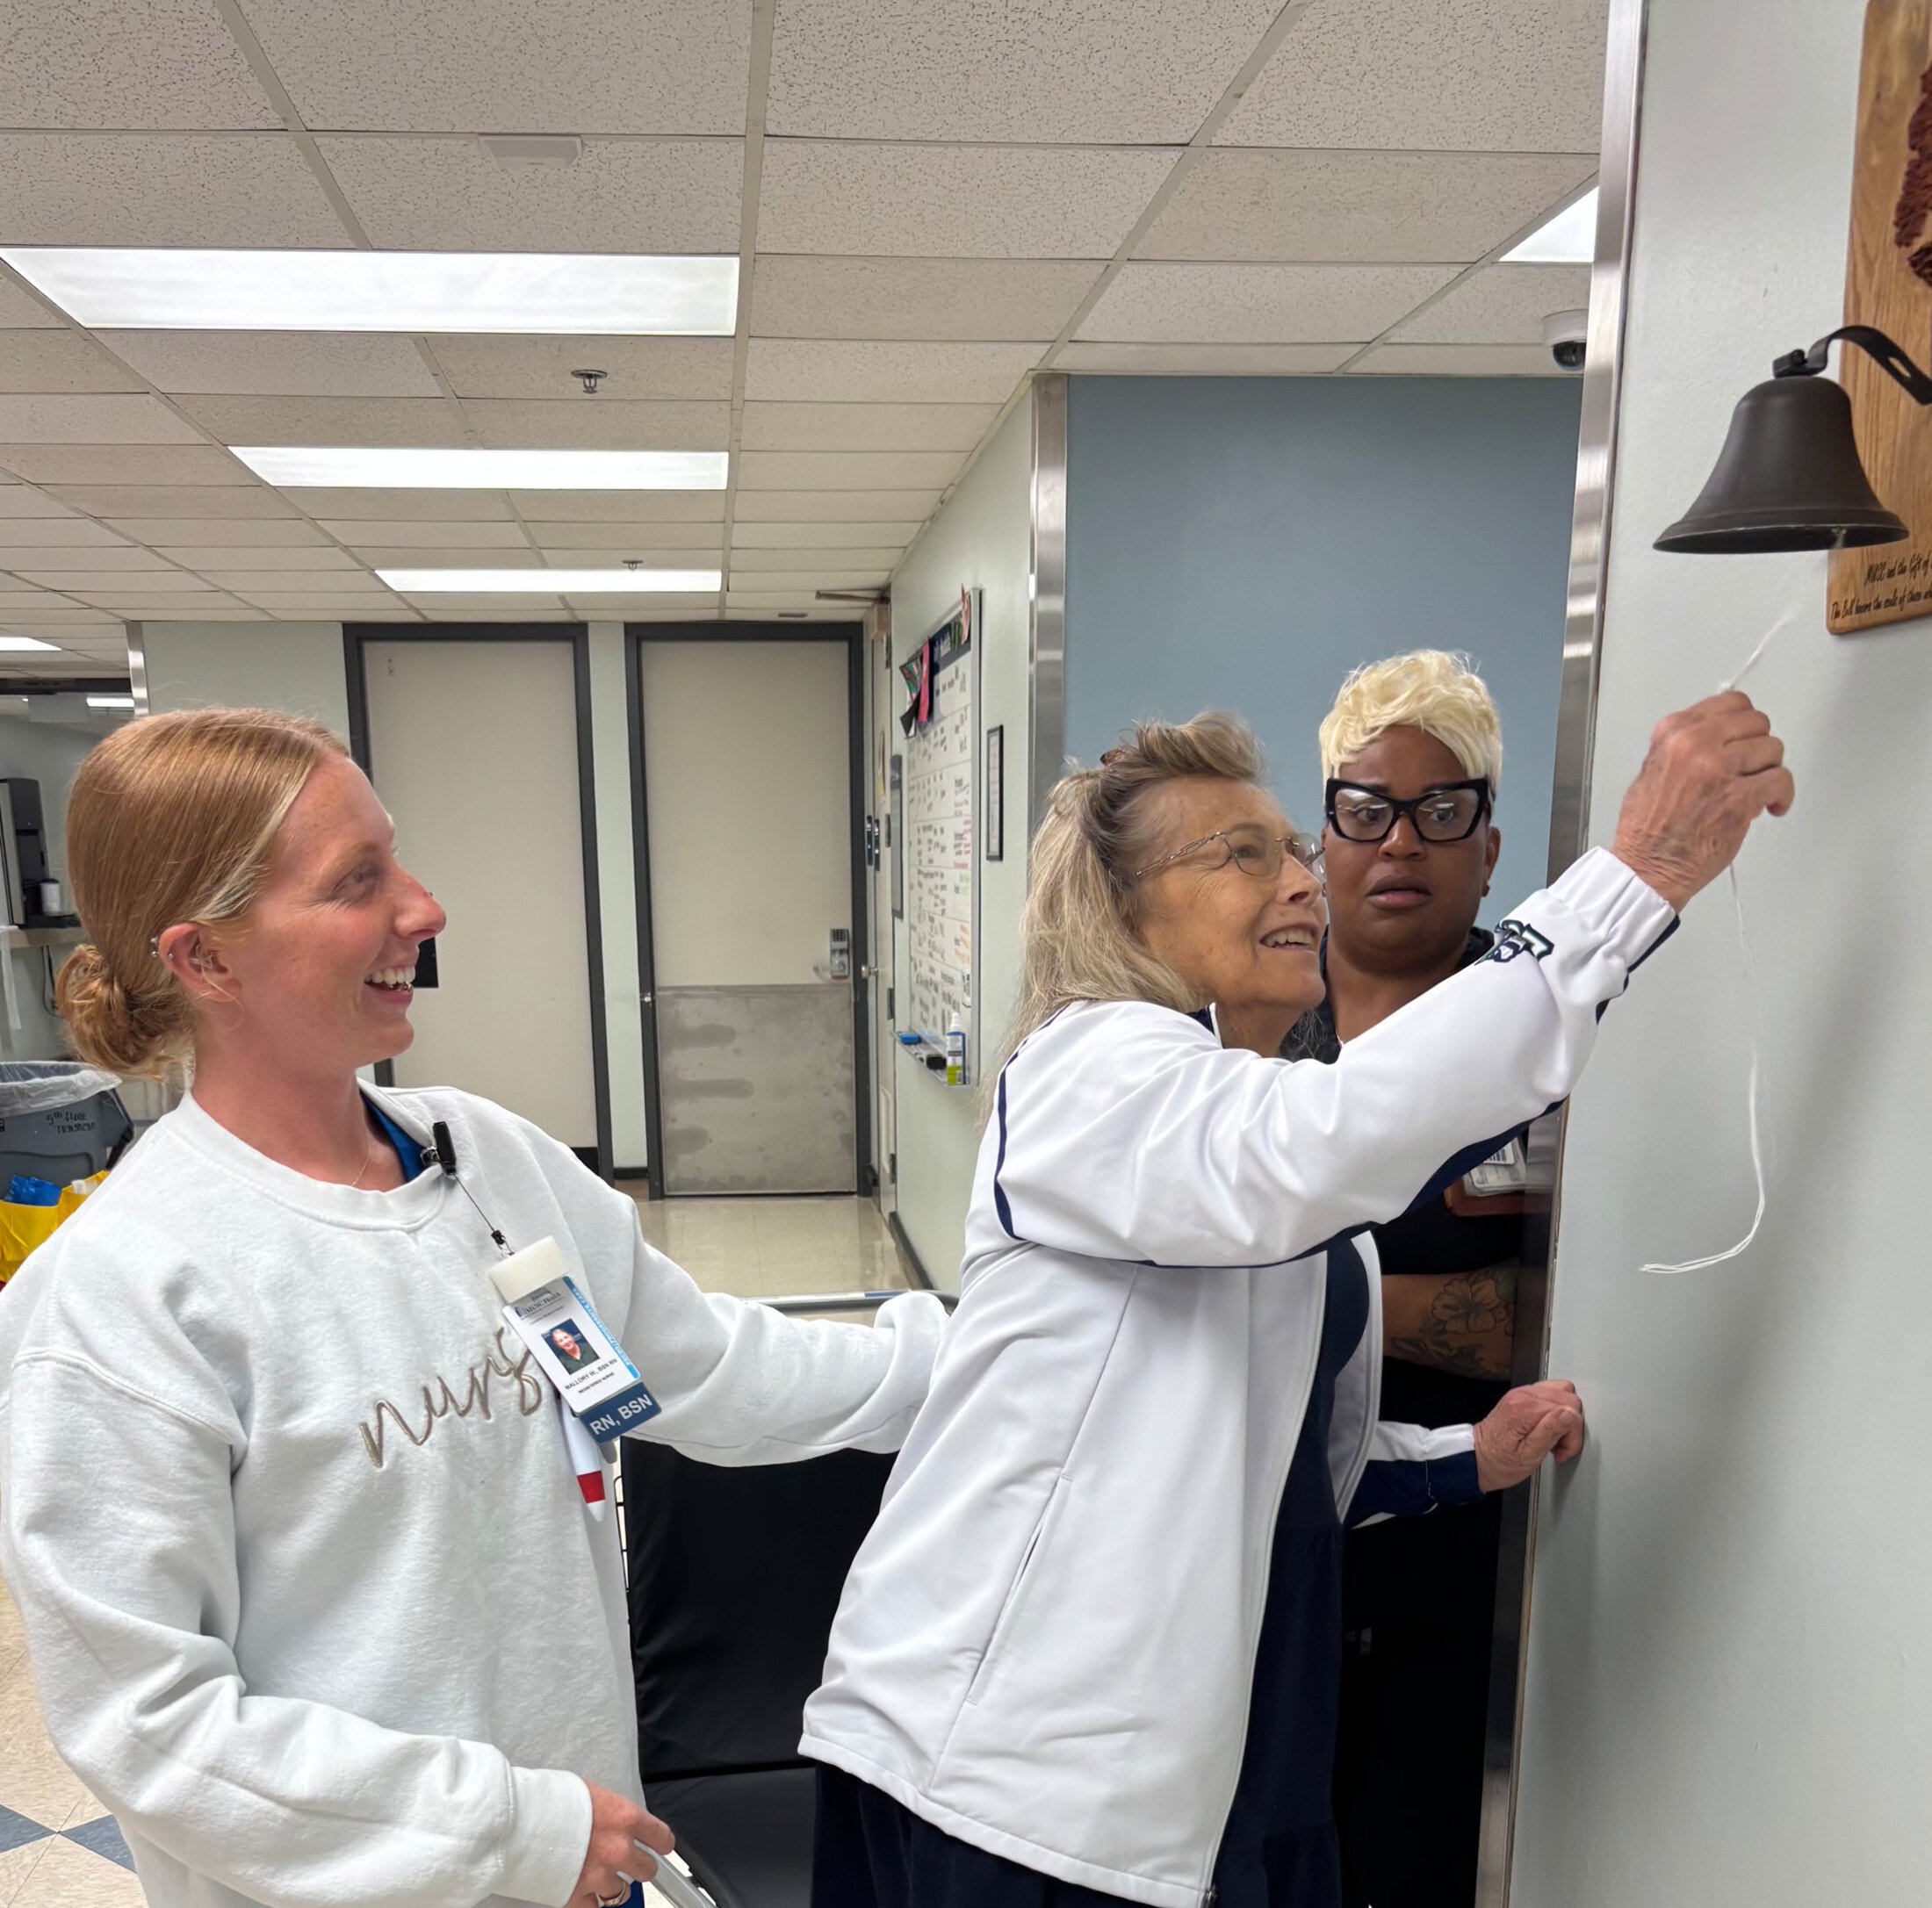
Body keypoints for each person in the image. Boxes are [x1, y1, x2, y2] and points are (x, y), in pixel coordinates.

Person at [801, 693, 1791, 1908]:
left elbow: (1272, 1458)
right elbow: (1319, 1149)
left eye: (1294, 851)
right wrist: (1634, 875)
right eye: (1241, 853)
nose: (1301, 882)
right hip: (1001, 1775)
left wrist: (1456, 1457)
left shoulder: (1237, 1107)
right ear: (1123, 909)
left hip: (1215, 1759)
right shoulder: (1087, 1069)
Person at [0, 709, 947, 1908]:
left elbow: (710, 1369)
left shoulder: (485, 1160)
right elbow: (154, 1726)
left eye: (395, 858)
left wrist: (973, 1357)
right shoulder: (120, 1296)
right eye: (358, 882)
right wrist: (512, 1829)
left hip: (583, 1867)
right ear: (205, 959)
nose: (424, 906)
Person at [1274, 652, 1528, 1908]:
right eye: (1365, 807)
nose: (1401, 843)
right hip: (1263, 1543)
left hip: (1459, 1550)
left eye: (1444, 810)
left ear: (1489, 844)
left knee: (1416, 1864)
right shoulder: (1244, 1023)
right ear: (1321, 836)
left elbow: (1558, 1316)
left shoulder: (1532, 1043)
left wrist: (1313, 1294)